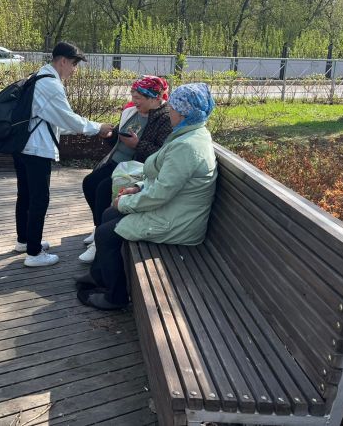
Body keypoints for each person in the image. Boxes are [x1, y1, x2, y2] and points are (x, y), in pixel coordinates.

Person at [75, 83, 218, 310]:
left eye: (172, 107)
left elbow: (161, 193)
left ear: (182, 113)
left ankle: (116, 297)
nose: (169, 110)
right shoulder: (188, 134)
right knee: (109, 212)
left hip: (178, 221)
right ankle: (100, 275)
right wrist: (138, 187)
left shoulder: (187, 146)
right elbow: (164, 180)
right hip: (174, 208)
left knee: (105, 233)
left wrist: (126, 202)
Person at [13, 42, 113, 268]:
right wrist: (97, 128)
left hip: (22, 145)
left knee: (26, 195)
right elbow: (67, 118)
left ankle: (25, 240)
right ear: (63, 61)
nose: (75, 70)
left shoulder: (37, 76)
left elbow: (57, 120)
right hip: (36, 148)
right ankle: (34, 253)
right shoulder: (51, 85)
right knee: (39, 198)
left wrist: (87, 128)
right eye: (75, 65)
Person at [79, 76, 172, 264]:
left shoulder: (165, 118)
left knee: (104, 189)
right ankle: (98, 227)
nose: (134, 100)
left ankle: (99, 240)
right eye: (133, 95)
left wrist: (138, 144)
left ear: (154, 98)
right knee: (89, 183)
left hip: (137, 167)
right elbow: (117, 137)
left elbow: (161, 154)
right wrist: (110, 135)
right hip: (116, 162)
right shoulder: (131, 111)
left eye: (138, 97)